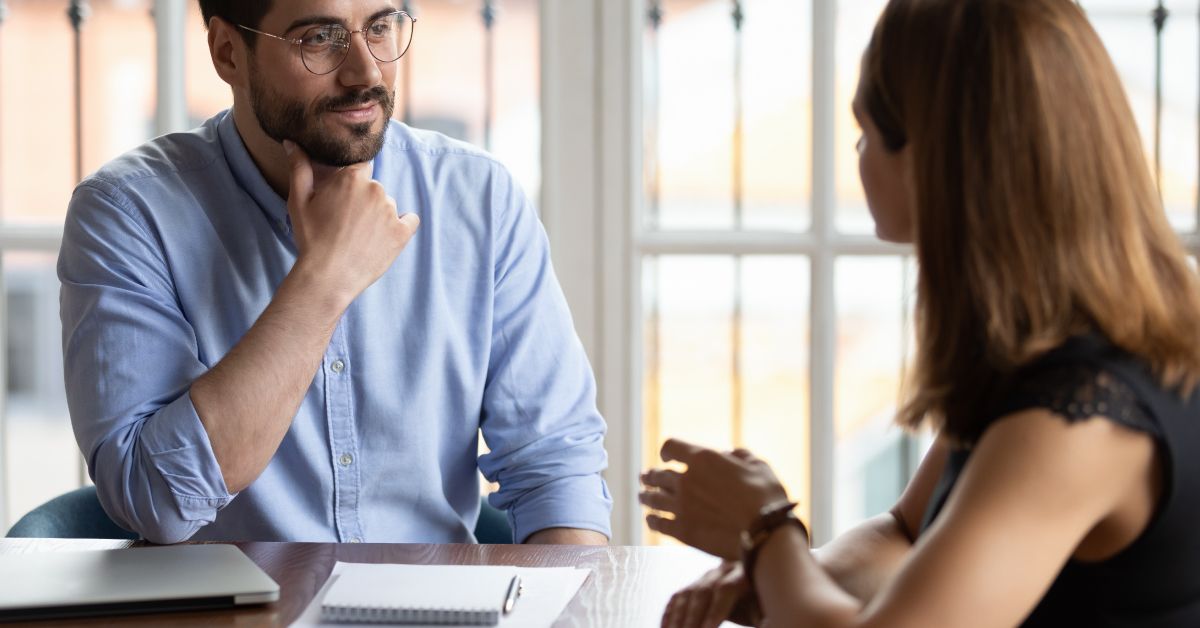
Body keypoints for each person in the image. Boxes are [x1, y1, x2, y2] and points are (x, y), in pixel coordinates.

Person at [640, 0, 1200, 625]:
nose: (856, 156)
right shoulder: (1047, 343)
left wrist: (769, 533)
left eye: (865, 133)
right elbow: (906, 533)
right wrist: (785, 580)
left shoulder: (1076, 417)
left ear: (935, 159)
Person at [58, 0, 611, 547]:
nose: (366, 71)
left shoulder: (478, 198)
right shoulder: (128, 213)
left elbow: (557, 471)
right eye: (319, 38)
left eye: (380, 26)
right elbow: (155, 501)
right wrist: (323, 282)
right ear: (228, 52)